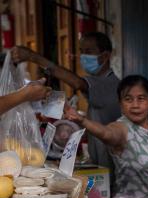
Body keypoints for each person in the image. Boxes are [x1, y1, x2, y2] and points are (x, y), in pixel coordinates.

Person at [12, 32, 120, 175]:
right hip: (100, 163)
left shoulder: (109, 84)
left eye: (88, 52)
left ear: (105, 56)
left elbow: (77, 82)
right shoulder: (98, 83)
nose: (83, 57)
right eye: (81, 52)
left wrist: (33, 57)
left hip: (111, 167)